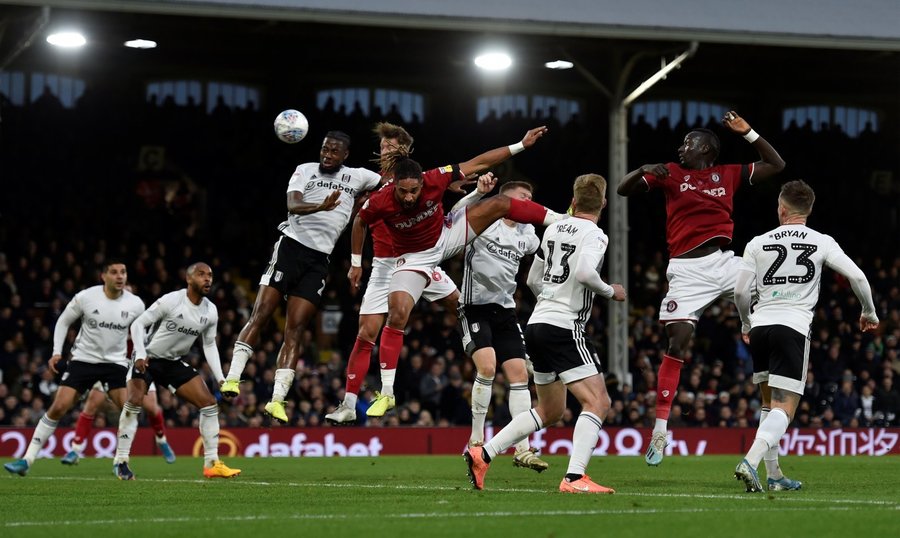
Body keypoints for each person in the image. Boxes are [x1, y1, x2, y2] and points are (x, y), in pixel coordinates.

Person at [325, 123, 548, 424]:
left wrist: (517, 146)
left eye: (392, 145)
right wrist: (355, 260)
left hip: (425, 257)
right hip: (387, 264)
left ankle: (508, 353)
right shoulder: (374, 184)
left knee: (463, 308)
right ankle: (349, 404)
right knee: (367, 332)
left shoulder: (423, 179)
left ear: (405, 150)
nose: (385, 150)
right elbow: (359, 219)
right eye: (383, 145)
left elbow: (475, 164)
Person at [616, 110, 786, 466]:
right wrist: (643, 168)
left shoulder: (728, 173)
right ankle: (660, 431)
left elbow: (776, 164)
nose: (681, 149)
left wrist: (748, 132)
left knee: (773, 300)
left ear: (706, 148)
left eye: (688, 143)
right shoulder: (670, 173)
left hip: (724, 263)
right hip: (687, 271)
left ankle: (769, 366)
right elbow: (623, 189)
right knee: (677, 342)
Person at [464, 173, 626, 493]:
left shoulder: (553, 229)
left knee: (550, 411)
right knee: (598, 401)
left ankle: (483, 453)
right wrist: (611, 291)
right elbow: (584, 273)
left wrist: (551, 299)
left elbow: (532, 280)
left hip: (537, 324)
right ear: (604, 204)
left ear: (573, 201)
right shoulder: (595, 234)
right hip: (565, 326)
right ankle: (574, 478)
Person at [220, 131, 382, 423]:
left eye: (334, 151)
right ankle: (232, 378)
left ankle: (277, 401)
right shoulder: (305, 170)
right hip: (291, 249)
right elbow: (292, 204)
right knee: (261, 314)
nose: (327, 155)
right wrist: (321, 206)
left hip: (319, 261)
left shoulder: (359, 176)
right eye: (324, 149)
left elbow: (391, 182)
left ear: (345, 155)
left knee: (295, 330)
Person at [732, 180, 878, 492]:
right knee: (785, 408)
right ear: (808, 210)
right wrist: (869, 311)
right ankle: (750, 461)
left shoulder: (757, 243)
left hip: (760, 327)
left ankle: (774, 476)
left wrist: (746, 323)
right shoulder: (821, 241)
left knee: (769, 404)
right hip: (793, 326)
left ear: (782, 208)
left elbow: (741, 292)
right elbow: (857, 276)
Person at [5, 260, 145, 476]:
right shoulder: (86, 297)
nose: (120, 276)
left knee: (129, 409)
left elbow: (140, 332)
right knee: (59, 406)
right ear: (103, 276)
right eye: (114, 272)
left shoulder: (135, 304)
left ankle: (121, 462)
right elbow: (63, 321)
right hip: (83, 360)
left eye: (123, 272)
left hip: (115, 363)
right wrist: (56, 352)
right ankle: (27, 460)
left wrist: (141, 355)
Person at [113, 262, 239, 480]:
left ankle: (212, 464)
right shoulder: (171, 300)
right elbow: (138, 324)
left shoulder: (210, 310)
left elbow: (209, 344)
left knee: (209, 404)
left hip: (172, 362)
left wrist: (221, 378)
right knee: (134, 401)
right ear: (189, 279)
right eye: (201, 275)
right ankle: (121, 461)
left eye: (210, 275)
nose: (207, 279)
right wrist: (140, 353)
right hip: (148, 358)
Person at [455, 180, 548, 472]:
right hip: (474, 306)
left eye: (531, 198)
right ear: (506, 199)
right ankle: (476, 440)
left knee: (519, 375)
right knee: (487, 367)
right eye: (523, 197)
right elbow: (456, 215)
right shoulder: (485, 221)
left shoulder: (527, 232)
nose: (528, 202)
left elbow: (549, 240)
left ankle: (522, 449)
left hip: (505, 311)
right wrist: (479, 193)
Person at [61, 381, 175, 465]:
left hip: (135, 368)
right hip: (112, 363)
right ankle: (75, 450)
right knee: (91, 404)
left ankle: (161, 440)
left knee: (151, 407)